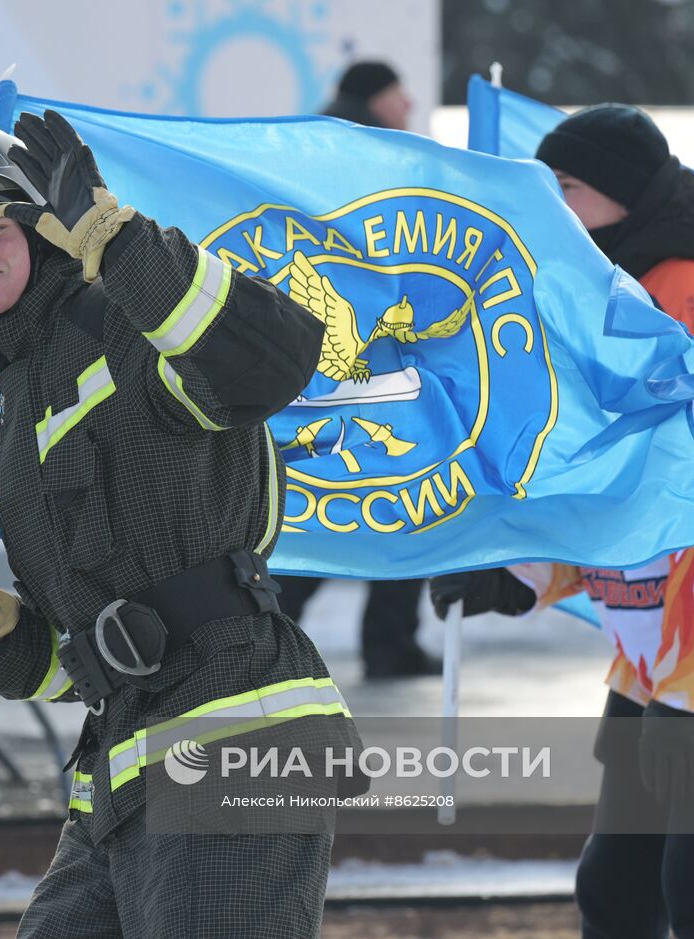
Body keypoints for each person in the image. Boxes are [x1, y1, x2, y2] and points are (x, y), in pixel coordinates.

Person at [0, 111, 362, 938]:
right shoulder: (11, 423)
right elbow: (82, 661)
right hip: (123, 772)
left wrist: (124, 241)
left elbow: (271, 361)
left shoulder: (125, 327)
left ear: (45, 229)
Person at [431, 104, 694, 939]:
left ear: (624, 196)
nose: (549, 208)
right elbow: (620, 492)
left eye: (567, 188)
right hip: (670, 656)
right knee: (618, 890)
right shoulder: (608, 300)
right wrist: (519, 576)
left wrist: (688, 695)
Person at [276, 59, 435, 679]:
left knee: (327, 503)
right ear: (376, 96)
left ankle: (271, 641)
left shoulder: (311, 144)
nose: (411, 103)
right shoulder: (374, 153)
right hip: (365, 358)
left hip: (319, 359)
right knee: (399, 505)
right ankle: (388, 644)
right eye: (401, 93)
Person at [320, 60, 413, 131]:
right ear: (374, 101)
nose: (408, 104)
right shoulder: (371, 150)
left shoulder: (318, 137)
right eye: (398, 96)